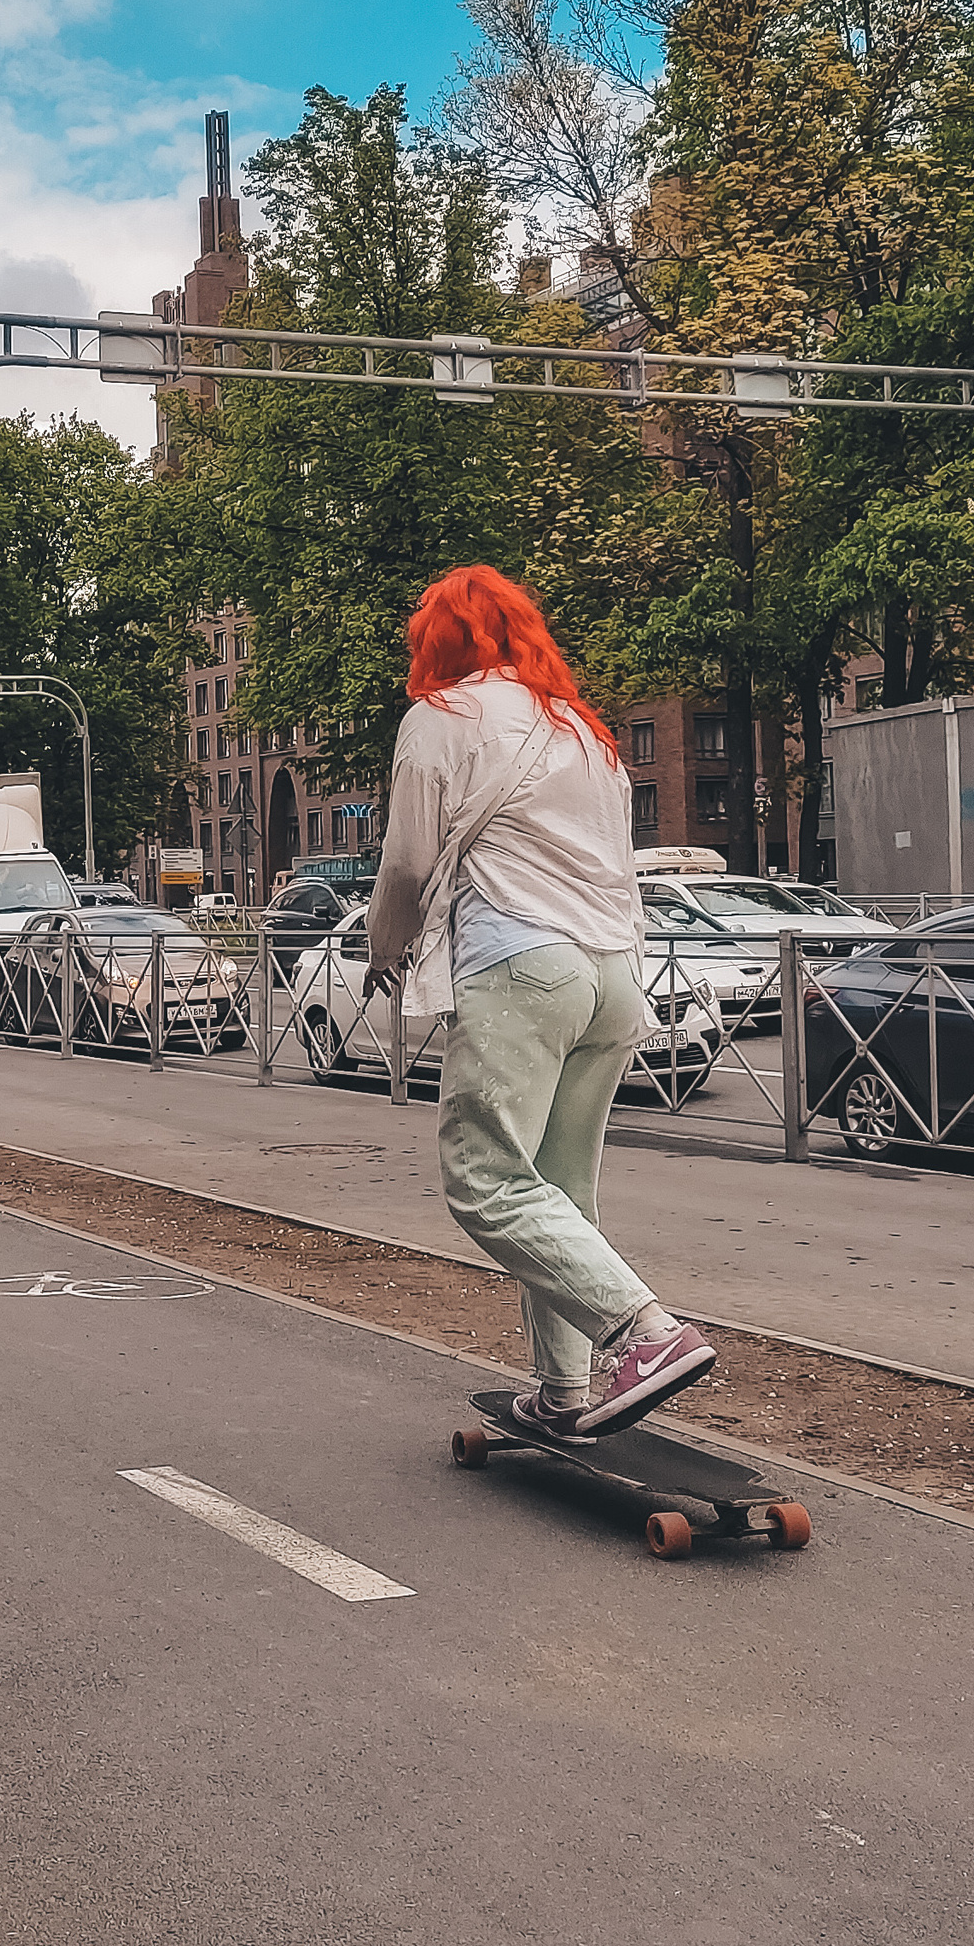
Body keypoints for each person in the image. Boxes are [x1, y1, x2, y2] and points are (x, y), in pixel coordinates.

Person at [365, 565, 716, 1438]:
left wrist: (383, 947)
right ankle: (566, 1391)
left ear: (437, 640)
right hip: (611, 973)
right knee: (559, 1192)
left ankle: (646, 1334)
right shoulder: (583, 729)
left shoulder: (440, 719)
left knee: (484, 1178)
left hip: (521, 963)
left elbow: (408, 861)